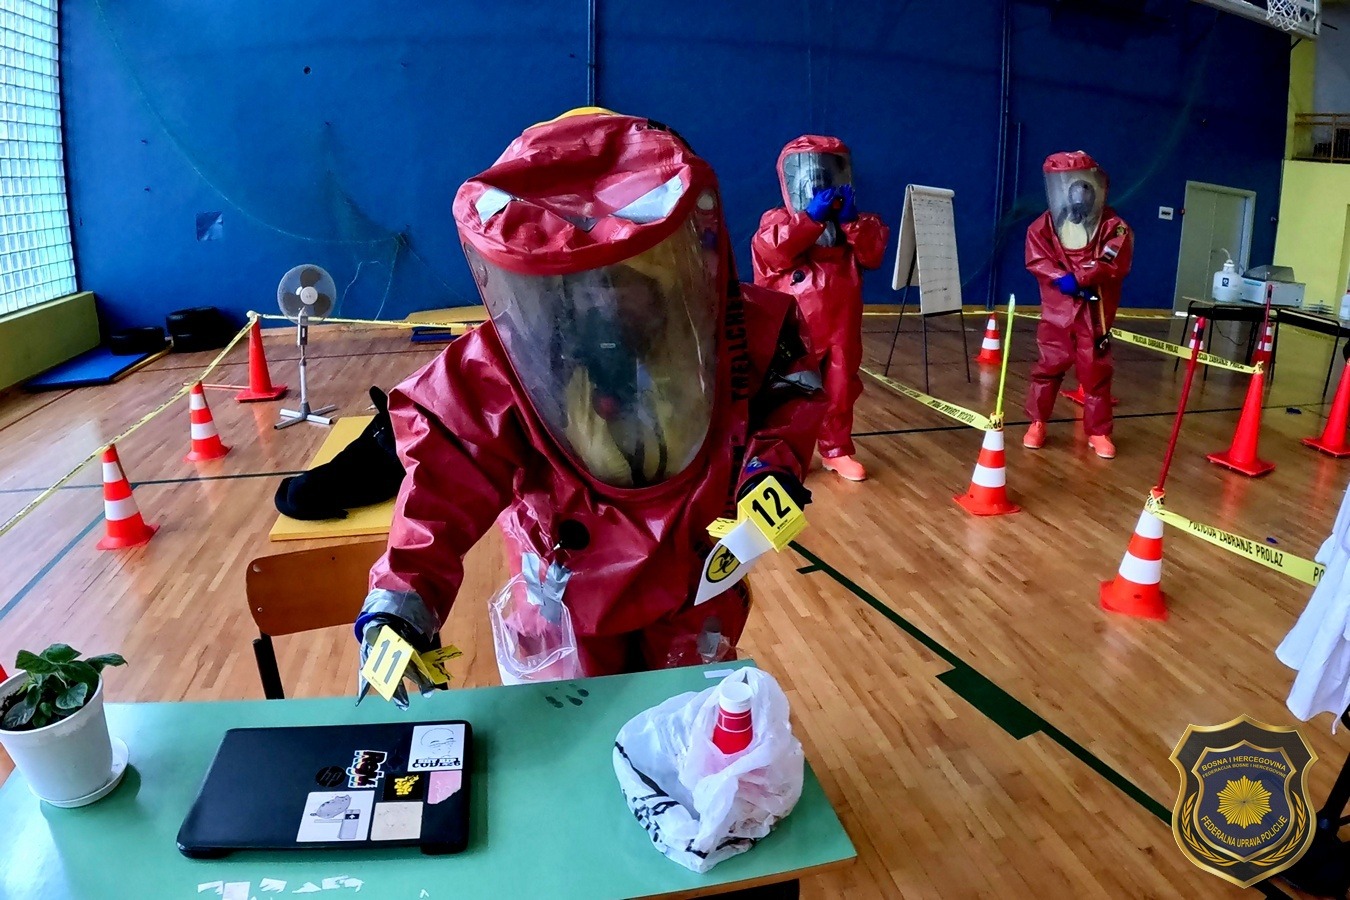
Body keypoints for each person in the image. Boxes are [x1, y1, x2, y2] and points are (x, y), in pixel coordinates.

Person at [354, 109, 826, 704]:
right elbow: (442, 482)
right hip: (567, 595)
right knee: (574, 723)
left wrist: (770, 468)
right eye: (583, 282)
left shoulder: (739, 331)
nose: (603, 298)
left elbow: (789, 398)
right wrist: (400, 602)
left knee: (688, 717)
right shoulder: (501, 363)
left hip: (695, 576)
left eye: (622, 276)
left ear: (668, 263)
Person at [751, 136, 889, 482]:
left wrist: (851, 222)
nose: (818, 183)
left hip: (841, 325)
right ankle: (779, 454)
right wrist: (808, 220)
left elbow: (873, 254)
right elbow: (772, 253)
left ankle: (836, 450)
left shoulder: (856, 227)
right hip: (794, 325)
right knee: (788, 389)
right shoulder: (777, 221)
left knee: (840, 388)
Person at [1023, 151, 1133, 459]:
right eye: (1072, 187)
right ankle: (1037, 422)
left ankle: (1099, 432)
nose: (1079, 195)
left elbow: (1113, 259)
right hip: (1057, 311)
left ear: (1097, 188)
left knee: (1095, 373)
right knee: (1048, 367)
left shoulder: (1114, 226)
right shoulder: (1044, 225)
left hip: (1094, 313)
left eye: (1085, 187)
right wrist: (1060, 277)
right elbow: (1036, 257)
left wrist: (1082, 277)